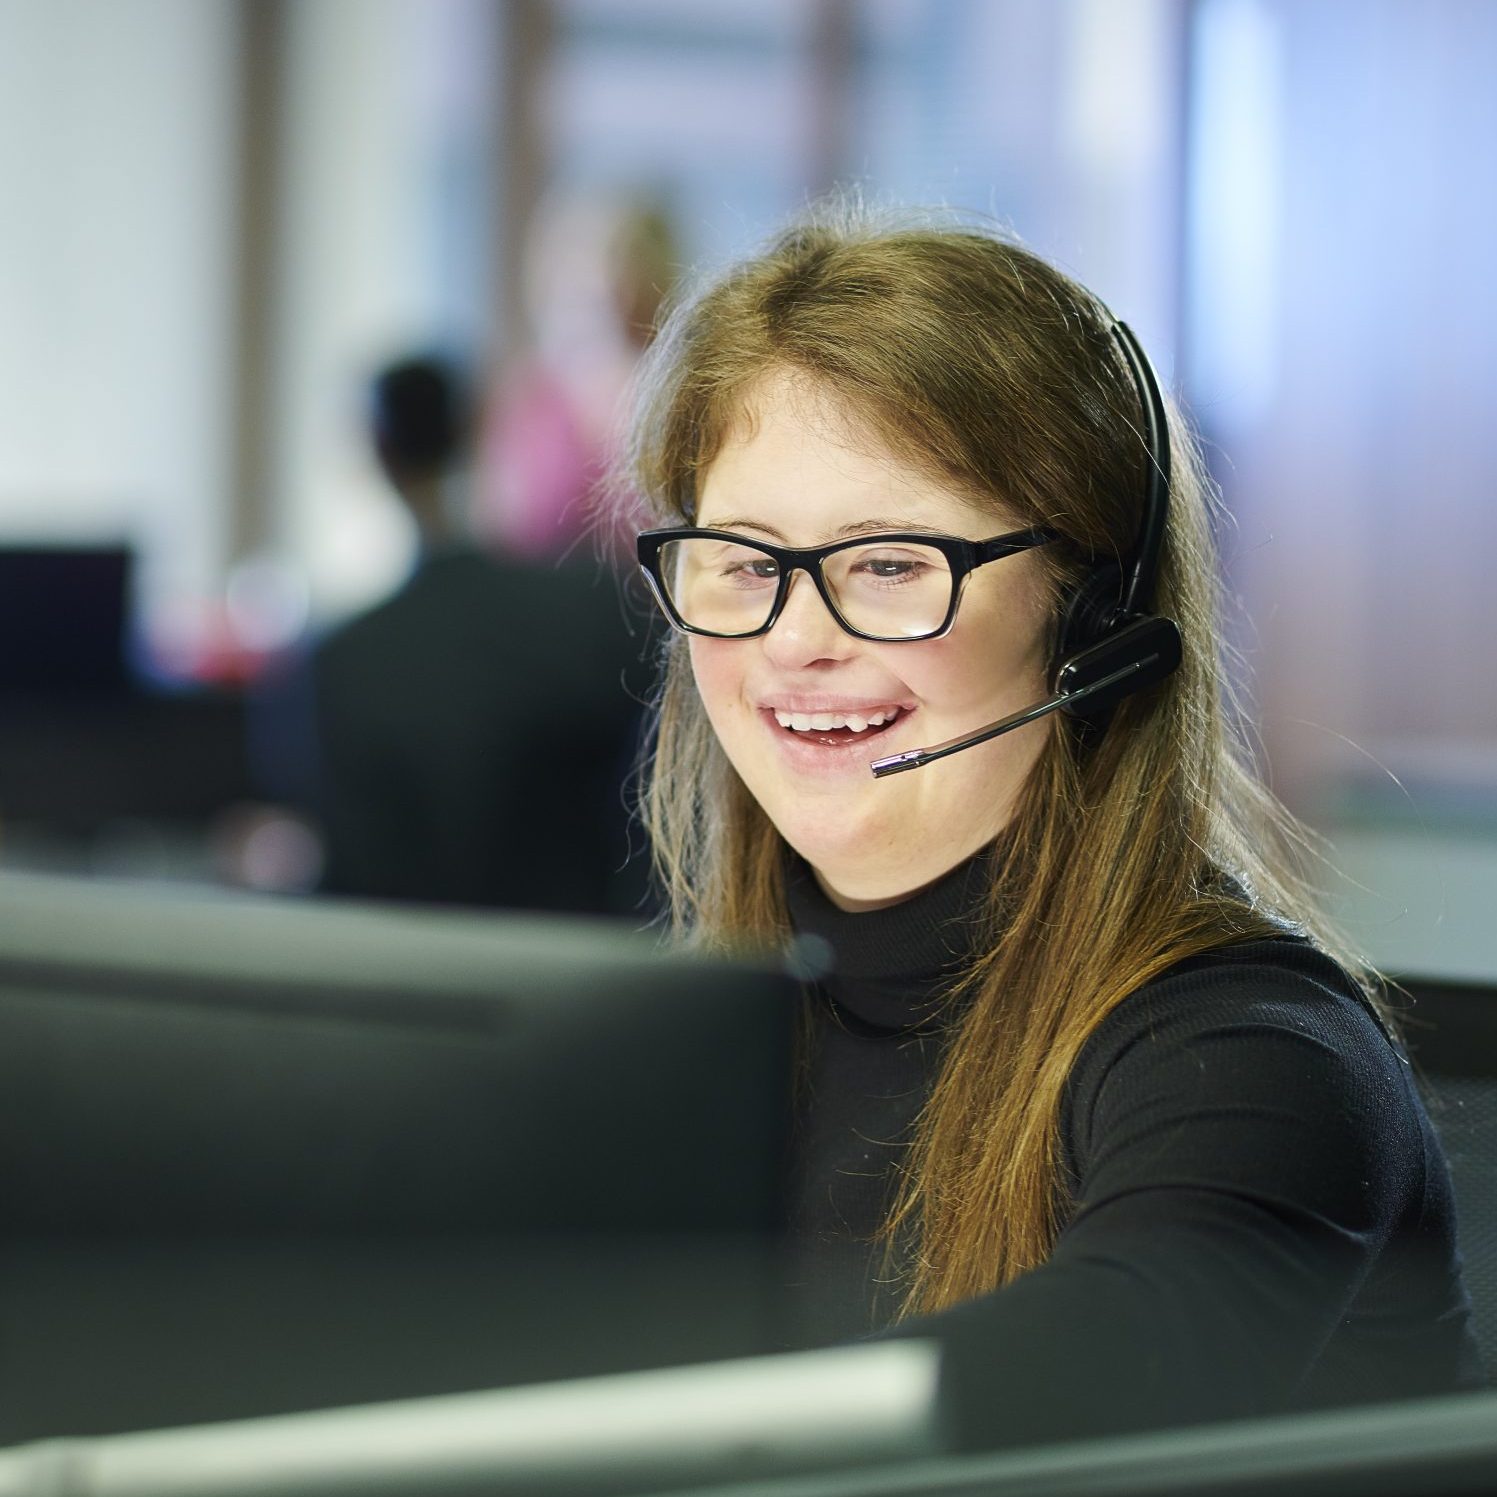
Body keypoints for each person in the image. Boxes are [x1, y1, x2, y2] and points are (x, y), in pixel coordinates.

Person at [615, 205, 1486, 1451]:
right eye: (746, 565)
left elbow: (1076, 1394)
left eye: (891, 563)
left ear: (1091, 620)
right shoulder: (688, 1058)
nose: (797, 639)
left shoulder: (1258, 1060)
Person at [269, 354, 651, 914]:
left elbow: (342, 867)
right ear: (474, 431)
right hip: (589, 970)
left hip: (406, 980)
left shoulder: (338, 665)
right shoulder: (600, 611)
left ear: (377, 451)